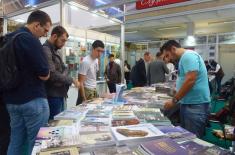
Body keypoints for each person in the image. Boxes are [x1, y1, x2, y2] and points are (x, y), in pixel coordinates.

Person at [2, 10, 52, 155]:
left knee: (16, 140)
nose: (45, 34)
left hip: (11, 100)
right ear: (37, 25)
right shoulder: (30, 39)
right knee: (37, 144)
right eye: (45, 30)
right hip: (33, 100)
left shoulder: (8, 38)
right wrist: (46, 73)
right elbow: (44, 74)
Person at [162, 40, 210, 138]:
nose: (169, 58)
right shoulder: (184, 58)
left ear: (173, 49)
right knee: (187, 137)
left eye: (168, 55)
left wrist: (174, 100)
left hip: (195, 105)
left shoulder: (188, 56)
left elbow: (191, 80)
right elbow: (184, 79)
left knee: (192, 139)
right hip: (189, 103)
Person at [43, 26, 80, 120]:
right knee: (54, 124)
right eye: (62, 40)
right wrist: (70, 79)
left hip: (60, 93)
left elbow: (65, 68)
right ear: (54, 36)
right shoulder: (46, 50)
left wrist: (61, 77)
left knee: (60, 122)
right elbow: (52, 75)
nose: (64, 44)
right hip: (52, 95)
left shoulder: (56, 51)